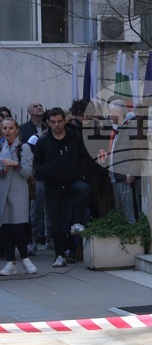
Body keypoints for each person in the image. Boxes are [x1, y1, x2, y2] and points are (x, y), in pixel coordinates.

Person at [31, 107, 92, 268]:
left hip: (72, 182)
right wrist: (46, 173)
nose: (57, 125)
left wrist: (78, 171)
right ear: (48, 123)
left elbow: (85, 157)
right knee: (56, 222)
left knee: (84, 189)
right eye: (53, 122)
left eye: (59, 121)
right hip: (53, 186)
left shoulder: (75, 138)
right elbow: (37, 163)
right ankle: (59, 254)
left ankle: (78, 223)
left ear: (65, 121)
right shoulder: (43, 142)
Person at [0, 117, 37, 276]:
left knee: (18, 228)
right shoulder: (0, 147)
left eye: (10, 128)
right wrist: (3, 171)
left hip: (18, 192)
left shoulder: (24, 148)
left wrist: (16, 165)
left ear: (16, 130)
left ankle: (25, 259)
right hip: (2, 192)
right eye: (5, 128)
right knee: (5, 229)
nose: (7, 131)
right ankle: (11, 262)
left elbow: (28, 172)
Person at [99, 100, 143, 223]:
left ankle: (135, 238)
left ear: (118, 112)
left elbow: (138, 149)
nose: (108, 114)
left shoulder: (131, 126)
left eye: (110, 111)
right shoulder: (117, 128)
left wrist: (132, 171)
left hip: (126, 176)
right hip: (117, 176)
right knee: (121, 212)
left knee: (130, 213)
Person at [19, 100, 48, 251]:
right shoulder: (23, 129)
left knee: (49, 207)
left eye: (40, 105)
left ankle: (49, 237)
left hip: (47, 170)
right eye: (35, 106)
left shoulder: (48, 126)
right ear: (29, 112)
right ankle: (33, 237)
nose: (39, 107)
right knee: (35, 207)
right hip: (32, 172)